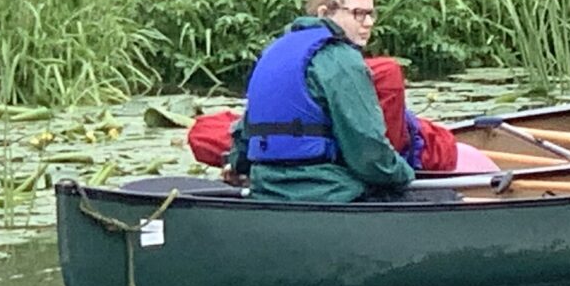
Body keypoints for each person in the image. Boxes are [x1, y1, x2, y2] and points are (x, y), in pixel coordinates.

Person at [227, 0, 418, 203]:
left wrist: (236, 166)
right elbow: (368, 153)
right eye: (358, 13)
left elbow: (245, 139)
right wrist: (405, 175)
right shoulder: (341, 59)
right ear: (324, 12)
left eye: (371, 13)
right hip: (329, 191)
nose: (368, 23)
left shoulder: (273, 51)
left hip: (265, 189)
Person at [187, 55, 488, 175]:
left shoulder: (369, 77)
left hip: (439, 156)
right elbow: (203, 134)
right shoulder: (290, 103)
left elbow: (384, 152)